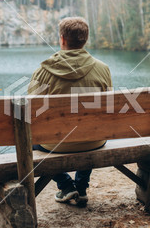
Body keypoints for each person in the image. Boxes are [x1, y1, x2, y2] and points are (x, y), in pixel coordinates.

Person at [28, 17, 112, 206]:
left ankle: (66, 186)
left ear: (62, 39)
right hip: (94, 141)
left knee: (32, 140)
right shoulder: (103, 69)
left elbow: (31, 112)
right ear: (85, 40)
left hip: (54, 145)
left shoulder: (44, 71)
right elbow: (107, 110)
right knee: (90, 127)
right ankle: (81, 188)